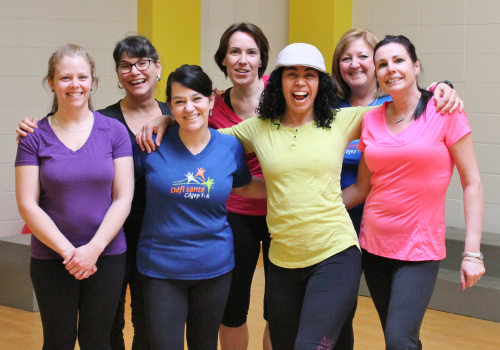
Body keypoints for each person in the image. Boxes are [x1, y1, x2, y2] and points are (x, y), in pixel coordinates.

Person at [136, 44, 462, 349]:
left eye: (309, 74)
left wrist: (438, 89)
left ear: (320, 83)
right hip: (282, 260)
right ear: (279, 81)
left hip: (335, 251)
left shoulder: (343, 119)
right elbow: (203, 136)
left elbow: (403, 105)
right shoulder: (258, 127)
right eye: (292, 73)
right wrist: (166, 116)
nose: (300, 81)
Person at [16, 35, 170, 350]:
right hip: (51, 258)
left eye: (82, 77)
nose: (75, 84)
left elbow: (123, 197)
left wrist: (92, 250)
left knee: (97, 340)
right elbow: (27, 204)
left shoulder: (112, 131)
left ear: (93, 81)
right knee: (58, 341)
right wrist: (69, 253)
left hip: (106, 255)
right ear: (51, 83)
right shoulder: (34, 136)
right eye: (65, 77)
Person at [342, 35, 485, 350]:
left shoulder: (444, 110)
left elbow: (471, 181)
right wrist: (315, 207)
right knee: (401, 339)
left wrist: (472, 252)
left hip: (419, 250)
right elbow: (362, 187)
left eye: (398, 61)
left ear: (416, 66)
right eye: (382, 64)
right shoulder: (372, 119)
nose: (390, 69)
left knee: (398, 340)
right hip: (373, 247)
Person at [135, 64, 266, 350]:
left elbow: (244, 186)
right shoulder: (151, 144)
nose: (189, 108)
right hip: (161, 270)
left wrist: (294, 191)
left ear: (211, 100)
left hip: (214, 269)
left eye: (196, 98)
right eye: (179, 101)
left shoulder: (229, 147)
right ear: (169, 107)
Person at [212, 22, 272, 350]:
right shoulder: (212, 106)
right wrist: (162, 119)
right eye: (234, 51)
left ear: (262, 59)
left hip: (282, 213)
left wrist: (438, 88)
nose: (242, 60)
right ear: (223, 59)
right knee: (232, 306)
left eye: (251, 52)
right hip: (234, 215)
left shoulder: (283, 94)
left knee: (280, 307)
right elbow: (179, 115)